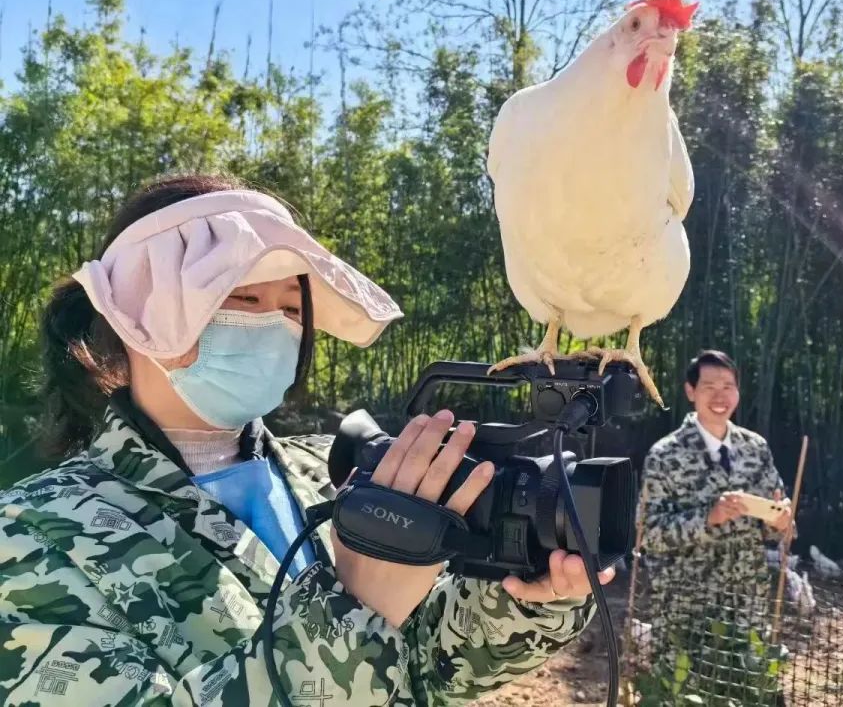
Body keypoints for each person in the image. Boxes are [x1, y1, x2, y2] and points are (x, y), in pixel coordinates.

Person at [0, 174, 615, 705]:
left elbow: (426, 670)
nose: (273, 327)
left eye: (292, 308)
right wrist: (356, 609)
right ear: (138, 314)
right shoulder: (33, 533)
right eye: (241, 298)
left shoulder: (329, 470)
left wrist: (528, 599)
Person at [636, 350, 792, 698]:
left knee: (749, 693)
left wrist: (781, 519)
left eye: (728, 386)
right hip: (686, 609)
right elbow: (648, 534)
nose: (720, 396)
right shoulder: (665, 455)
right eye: (709, 386)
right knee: (686, 696)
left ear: (737, 392)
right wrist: (707, 518)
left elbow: (774, 521)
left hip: (745, 604)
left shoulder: (756, 449)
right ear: (690, 391)